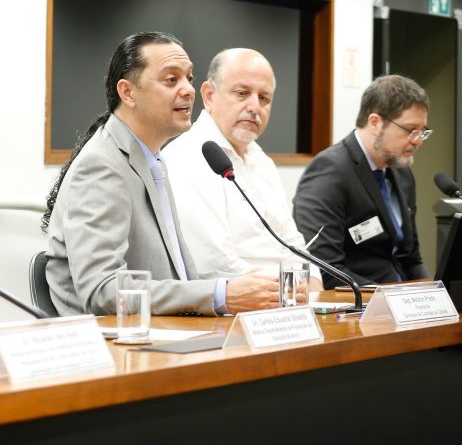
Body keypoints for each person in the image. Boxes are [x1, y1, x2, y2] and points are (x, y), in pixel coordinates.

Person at [42, 32, 281, 317]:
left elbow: (178, 277)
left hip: (160, 330)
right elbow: (102, 290)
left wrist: (248, 287)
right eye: (171, 79)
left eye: (189, 78)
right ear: (128, 92)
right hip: (111, 339)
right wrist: (221, 294)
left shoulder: (151, 159)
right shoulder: (101, 165)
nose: (188, 90)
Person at [163, 48, 323, 291]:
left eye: (264, 98)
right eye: (242, 93)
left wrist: (313, 285)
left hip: (289, 298)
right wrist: (292, 290)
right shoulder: (186, 156)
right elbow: (214, 265)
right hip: (239, 303)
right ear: (209, 96)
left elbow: (294, 243)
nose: (255, 107)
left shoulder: (262, 161)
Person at [292, 74, 431, 287]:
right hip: (358, 301)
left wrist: (434, 293)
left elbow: (411, 258)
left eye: (422, 132)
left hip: (400, 296)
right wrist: (387, 298)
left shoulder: (402, 173)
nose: (418, 141)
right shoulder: (330, 171)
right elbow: (325, 268)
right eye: (411, 130)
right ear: (375, 123)